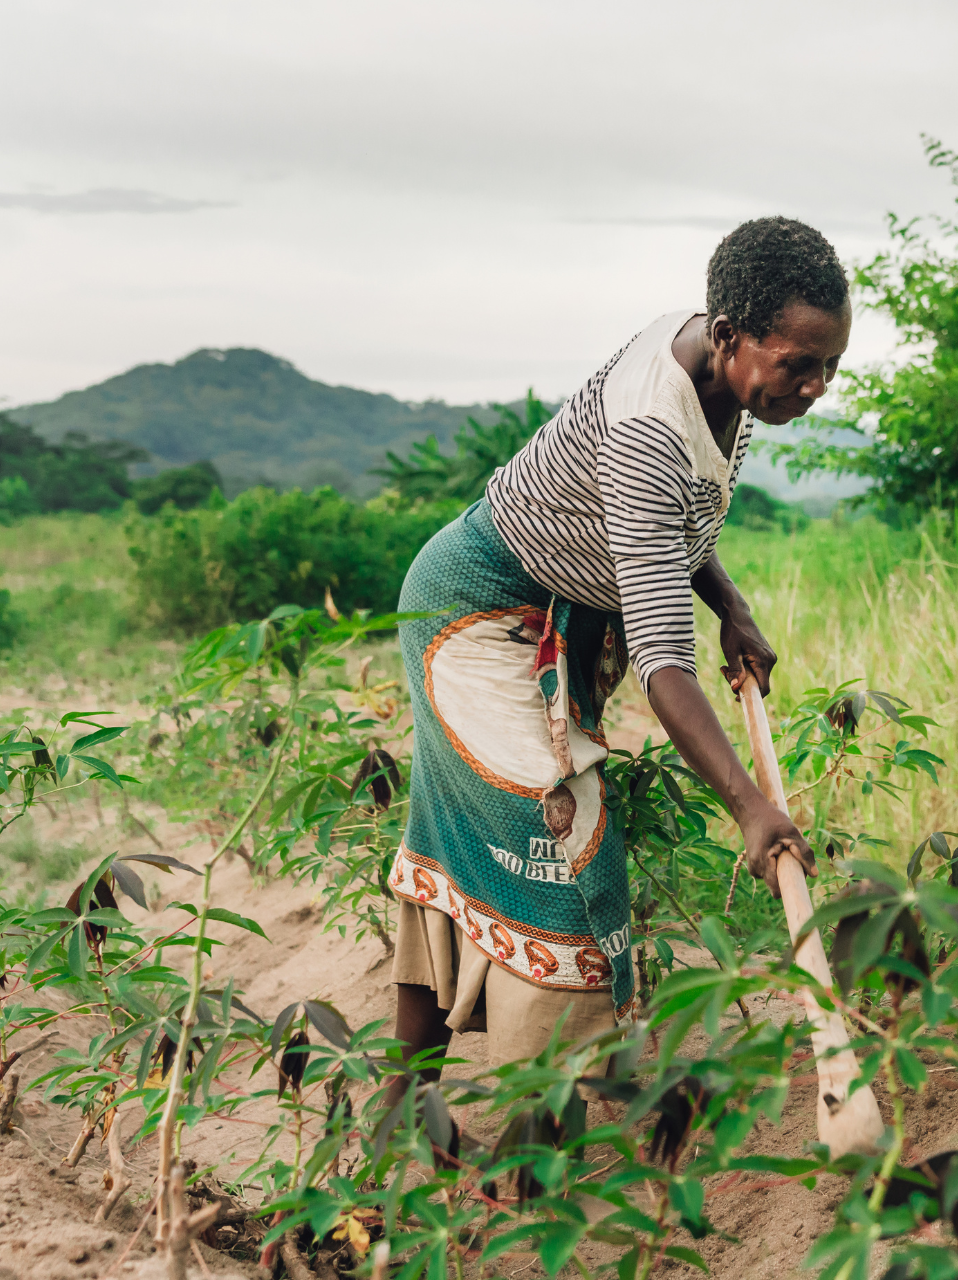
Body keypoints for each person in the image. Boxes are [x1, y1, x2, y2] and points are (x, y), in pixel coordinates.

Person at [383, 216, 845, 1103]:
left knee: (451, 845)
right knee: (563, 836)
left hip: (561, 618)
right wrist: (751, 808)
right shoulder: (648, 427)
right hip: (475, 615)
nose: (815, 386)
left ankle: (409, 1106)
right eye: (798, 365)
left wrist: (734, 608)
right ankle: (545, 1120)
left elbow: (677, 523)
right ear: (728, 335)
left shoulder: (722, 371)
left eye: (829, 366)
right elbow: (667, 664)